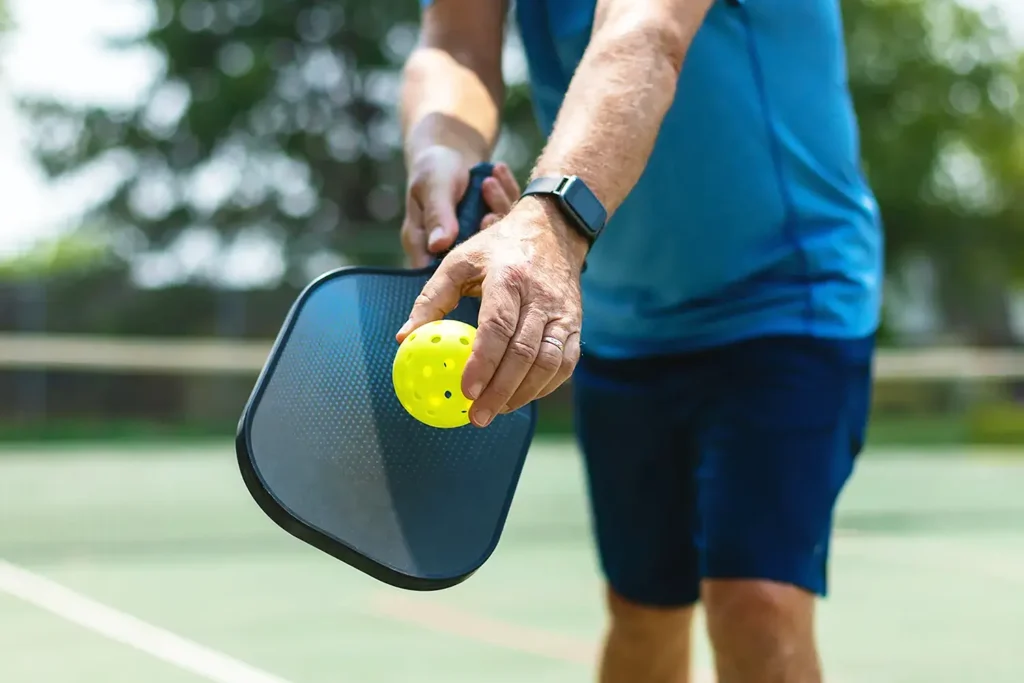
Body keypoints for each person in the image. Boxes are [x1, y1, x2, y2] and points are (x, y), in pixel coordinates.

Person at [396, 1, 882, 681]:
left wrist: (553, 219)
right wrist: (441, 154)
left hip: (784, 296)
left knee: (757, 601)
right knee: (642, 604)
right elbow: (453, 46)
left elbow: (645, 32)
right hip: (623, 320)